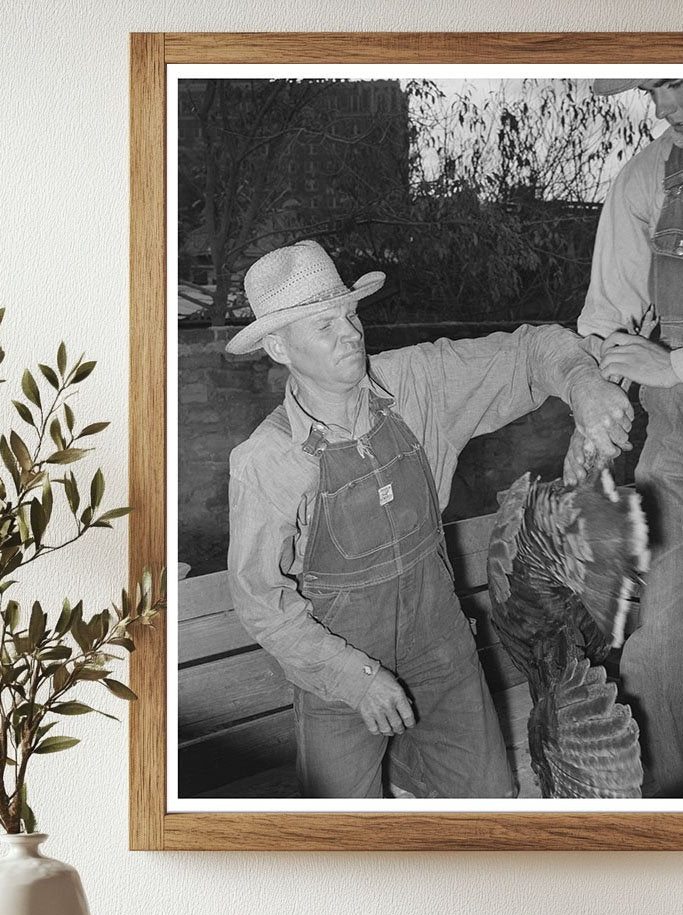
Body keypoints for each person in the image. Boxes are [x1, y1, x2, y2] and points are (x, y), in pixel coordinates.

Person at [227, 239, 633, 799]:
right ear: (278, 347)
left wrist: (582, 385)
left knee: (488, 804)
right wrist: (356, 680)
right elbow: (260, 603)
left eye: (350, 315)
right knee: (342, 841)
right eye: (324, 326)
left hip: (441, 651)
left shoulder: (417, 384)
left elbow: (527, 352)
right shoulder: (267, 462)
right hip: (338, 678)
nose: (351, 334)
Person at [574, 78, 683, 798]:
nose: (661, 104)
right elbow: (608, 318)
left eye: (673, 82)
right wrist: (599, 402)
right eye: (649, 88)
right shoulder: (645, 181)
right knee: (659, 640)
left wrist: (681, 364)